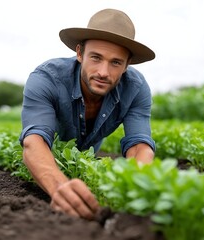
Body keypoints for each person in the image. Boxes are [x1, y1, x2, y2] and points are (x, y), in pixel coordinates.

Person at [19, 8, 156, 220]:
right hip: (48, 158)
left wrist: (133, 188)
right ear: (80, 53)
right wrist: (59, 187)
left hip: (87, 158)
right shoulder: (46, 79)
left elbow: (140, 145)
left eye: (116, 62)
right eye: (96, 57)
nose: (103, 72)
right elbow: (34, 140)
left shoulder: (136, 89)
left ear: (127, 65)